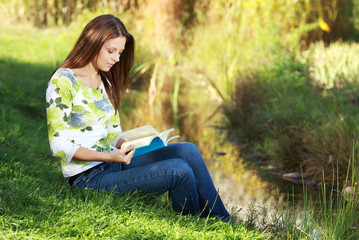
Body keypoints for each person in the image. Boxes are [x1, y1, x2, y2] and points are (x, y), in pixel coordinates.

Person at [46, 14, 231, 222]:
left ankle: (223, 221)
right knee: (179, 171)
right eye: (111, 51)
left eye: (120, 52)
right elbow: (58, 145)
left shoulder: (104, 81)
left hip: (115, 163)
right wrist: (109, 157)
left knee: (187, 150)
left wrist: (126, 145)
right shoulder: (63, 81)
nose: (116, 58)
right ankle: (196, 227)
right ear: (93, 42)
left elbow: (112, 133)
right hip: (89, 178)